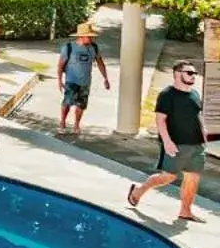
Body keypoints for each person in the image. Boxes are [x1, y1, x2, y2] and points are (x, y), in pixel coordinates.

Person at [128, 61, 206, 223]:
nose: (193, 76)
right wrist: (167, 142)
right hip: (176, 144)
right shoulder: (167, 94)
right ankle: (138, 191)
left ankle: (185, 211)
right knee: (168, 177)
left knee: (193, 178)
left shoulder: (195, 94)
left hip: (196, 145)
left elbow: (197, 115)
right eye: (189, 73)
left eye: (194, 74)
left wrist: (204, 133)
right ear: (177, 74)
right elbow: (160, 119)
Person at [55, 24, 111, 136]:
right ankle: (62, 122)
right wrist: (60, 80)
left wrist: (105, 78)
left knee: (81, 105)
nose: (91, 39)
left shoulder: (93, 47)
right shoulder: (69, 47)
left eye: (91, 37)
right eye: (89, 36)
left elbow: (100, 63)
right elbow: (60, 65)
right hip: (71, 80)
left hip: (85, 82)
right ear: (81, 36)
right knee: (67, 102)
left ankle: (76, 125)